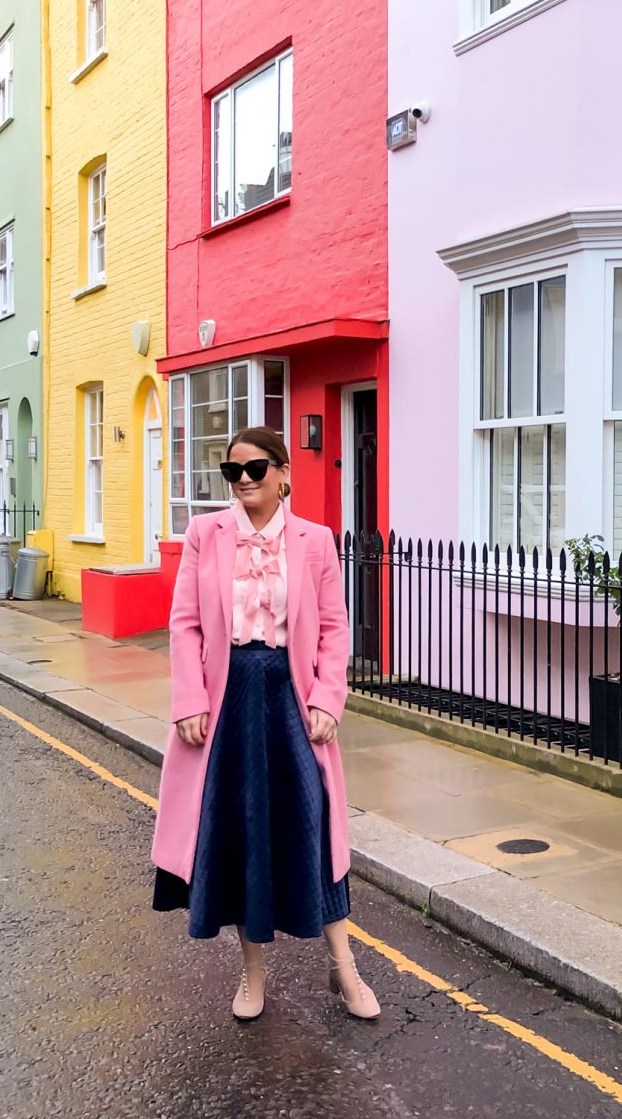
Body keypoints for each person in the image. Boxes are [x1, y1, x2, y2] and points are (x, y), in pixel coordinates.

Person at [151, 426, 379, 1022]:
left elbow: (334, 627)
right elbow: (185, 625)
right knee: (240, 832)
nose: (245, 480)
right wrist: (189, 700)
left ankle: (344, 968)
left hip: (292, 698)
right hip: (227, 700)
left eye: (256, 469)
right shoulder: (206, 534)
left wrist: (330, 698)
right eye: (233, 472)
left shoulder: (316, 540)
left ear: (283, 474)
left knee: (315, 825)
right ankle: (251, 975)